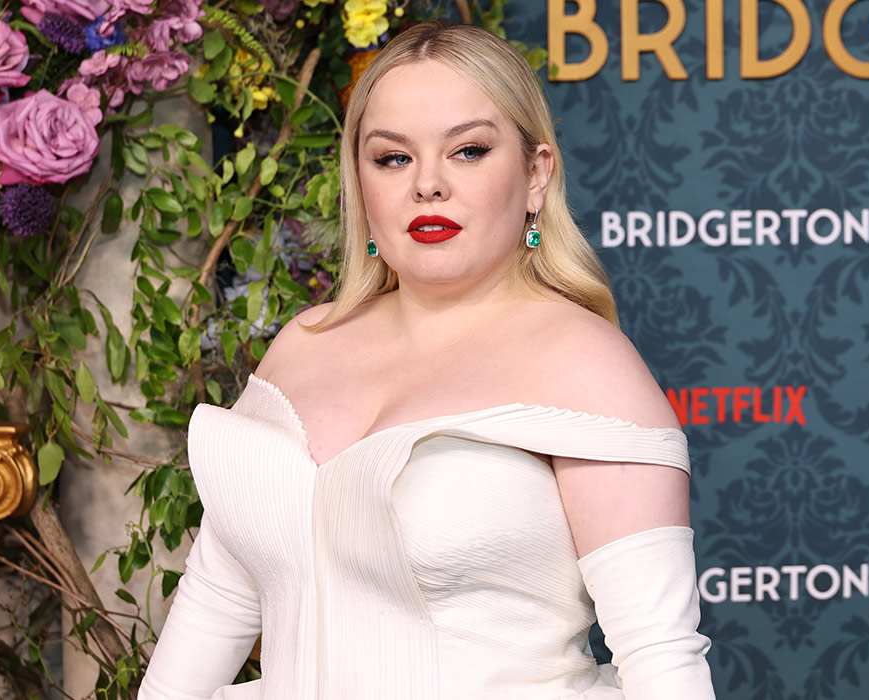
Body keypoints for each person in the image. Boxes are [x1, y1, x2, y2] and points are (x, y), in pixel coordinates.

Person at [139, 22, 715, 700]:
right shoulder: (302, 345)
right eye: (393, 159)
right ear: (360, 182)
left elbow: (660, 659)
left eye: (468, 150)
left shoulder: (587, 366)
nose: (428, 185)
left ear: (535, 175)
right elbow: (218, 595)